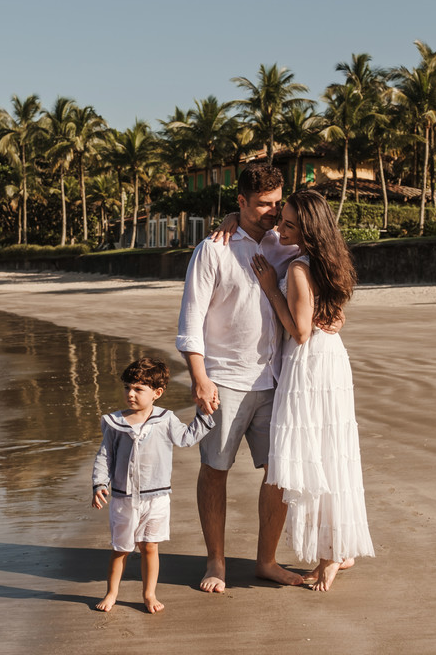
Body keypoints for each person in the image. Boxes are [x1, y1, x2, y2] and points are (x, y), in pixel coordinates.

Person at [176, 163, 303, 593]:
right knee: (215, 469)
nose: (272, 212)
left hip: (275, 378)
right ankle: (216, 561)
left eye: (276, 203)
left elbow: (324, 251)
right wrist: (199, 377)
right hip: (224, 379)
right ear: (241, 202)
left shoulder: (284, 244)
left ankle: (265, 560)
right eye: (263, 204)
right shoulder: (213, 249)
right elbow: (190, 321)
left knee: (280, 472)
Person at [252, 189, 374, 591]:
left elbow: (300, 332)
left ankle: (330, 558)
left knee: (316, 456)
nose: (280, 227)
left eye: (289, 224)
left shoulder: (300, 269)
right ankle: (337, 550)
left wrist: (271, 288)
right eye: (281, 219)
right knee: (331, 454)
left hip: (309, 369)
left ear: (308, 230)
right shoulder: (331, 261)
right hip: (331, 360)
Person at [91, 357, 215, 613]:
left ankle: (149, 594)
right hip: (123, 498)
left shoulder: (165, 419)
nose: (131, 394)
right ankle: (112, 593)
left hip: (156, 497)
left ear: (157, 393)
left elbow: (186, 438)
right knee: (120, 549)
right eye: (127, 387)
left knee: (150, 547)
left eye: (138, 389)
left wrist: (204, 412)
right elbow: (105, 456)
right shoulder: (115, 422)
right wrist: (99, 484)